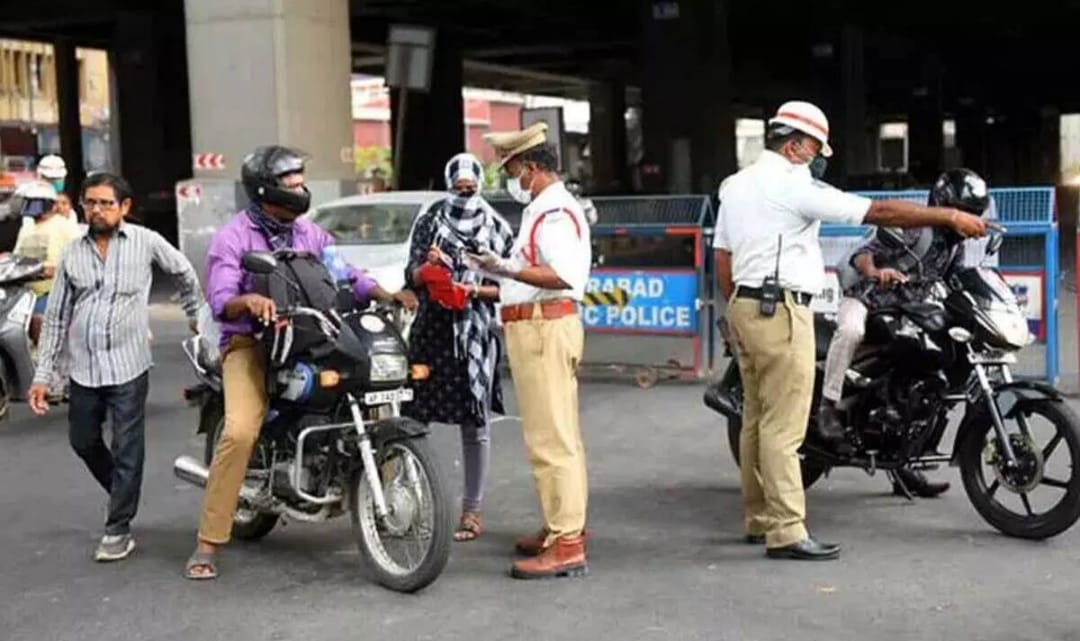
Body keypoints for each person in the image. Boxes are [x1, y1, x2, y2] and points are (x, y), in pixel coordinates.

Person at [714, 101, 988, 561]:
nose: (820, 157)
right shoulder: (792, 184)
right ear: (796, 144)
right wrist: (948, 217)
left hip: (745, 304)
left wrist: (738, 310)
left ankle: (759, 517)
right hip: (781, 310)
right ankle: (786, 531)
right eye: (818, 147)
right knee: (784, 427)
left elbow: (722, 256)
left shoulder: (736, 185)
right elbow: (878, 211)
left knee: (757, 422)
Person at [186, 145, 417, 580]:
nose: (300, 189)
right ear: (264, 189)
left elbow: (345, 273)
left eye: (300, 181)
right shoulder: (233, 237)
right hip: (251, 346)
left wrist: (385, 293)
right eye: (290, 183)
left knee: (375, 398)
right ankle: (208, 540)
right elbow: (220, 298)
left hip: (310, 338)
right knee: (239, 430)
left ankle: (378, 497)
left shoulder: (310, 235)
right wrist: (247, 300)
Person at [27, 172, 203, 563]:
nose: (98, 210)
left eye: (107, 203)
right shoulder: (73, 252)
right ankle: (122, 492)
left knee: (128, 446)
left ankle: (118, 527)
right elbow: (55, 318)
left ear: (124, 208)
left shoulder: (146, 242)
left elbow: (184, 272)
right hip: (84, 367)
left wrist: (195, 314)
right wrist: (43, 375)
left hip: (129, 365)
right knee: (83, 440)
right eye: (91, 202)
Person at [819, 168, 992, 498]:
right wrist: (877, 271)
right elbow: (860, 255)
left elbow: (960, 282)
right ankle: (828, 405)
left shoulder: (953, 245)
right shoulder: (915, 228)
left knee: (932, 373)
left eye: (975, 214)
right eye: (966, 212)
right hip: (869, 300)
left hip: (908, 310)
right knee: (851, 330)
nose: (969, 220)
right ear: (946, 205)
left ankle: (904, 459)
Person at [479, 123, 592, 580]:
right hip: (540, 327)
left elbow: (561, 273)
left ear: (529, 168)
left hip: (544, 330)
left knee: (552, 440)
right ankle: (561, 528)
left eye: (511, 170)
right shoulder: (546, 209)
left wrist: (503, 267)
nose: (511, 179)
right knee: (557, 436)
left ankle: (567, 543)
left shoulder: (554, 212)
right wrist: (490, 279)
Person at [404, 152, 515, 543]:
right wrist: (430, 268)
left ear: (480, 185)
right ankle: (409, 502)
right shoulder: (431, 220)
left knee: (476, 424)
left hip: (475, 335)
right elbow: (411, 275)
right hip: (432, 331)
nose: (464, 195)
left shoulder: (496, 227)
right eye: (458, 188)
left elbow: (509, 286)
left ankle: (472, 510)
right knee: (414, 418)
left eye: (470, 188)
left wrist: (470, 289)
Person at [11, 180, 81, 345]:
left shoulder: (64, 226)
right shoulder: (27, 228)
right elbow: (16, 256)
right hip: (25, 292)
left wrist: (53, 270)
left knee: (38, 323)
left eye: (33, 201)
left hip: (53, 292)